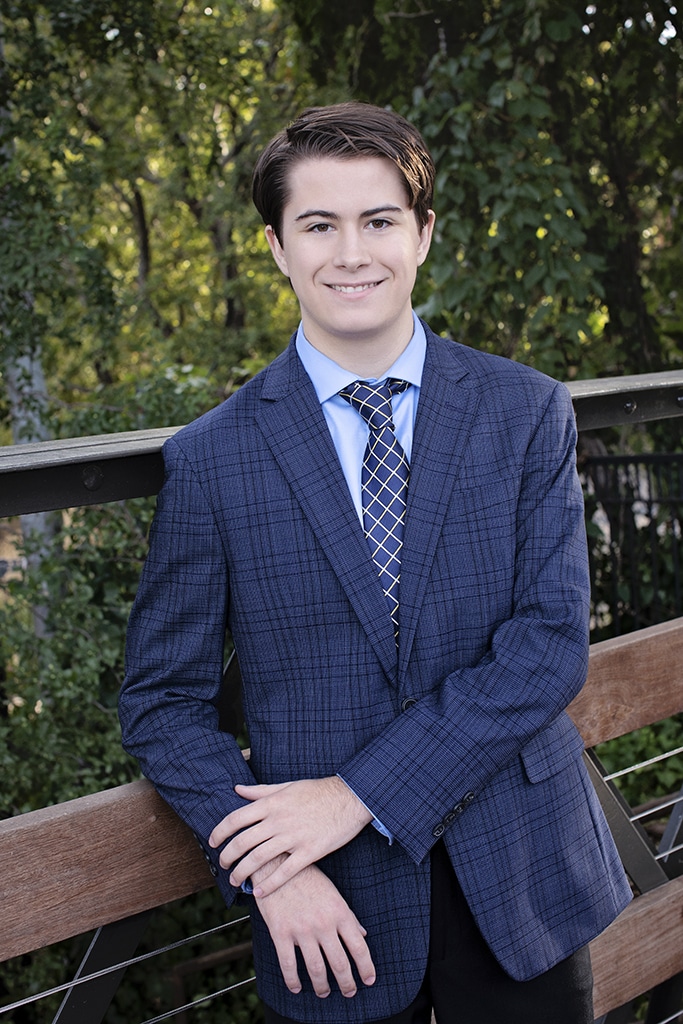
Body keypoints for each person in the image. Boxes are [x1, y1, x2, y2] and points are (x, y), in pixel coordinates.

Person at [119, 102, 631, 1024]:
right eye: (318, 225)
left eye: (379, 220)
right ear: (277, 246)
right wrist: (270, 867)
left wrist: (358, 794)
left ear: (423, 235)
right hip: (329, 912)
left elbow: (548, 647)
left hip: (521, 883)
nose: (351, 252)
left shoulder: (525, 412)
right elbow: (162, 701)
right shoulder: (211, 457)